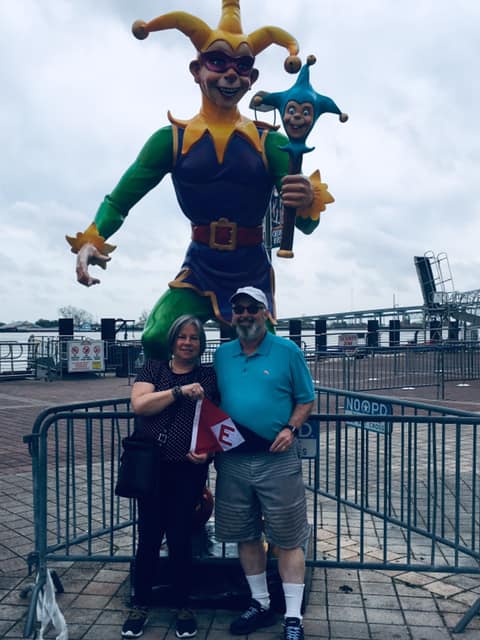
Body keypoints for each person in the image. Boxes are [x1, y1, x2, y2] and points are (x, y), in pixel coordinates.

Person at [66, 0, 336, 361]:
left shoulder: (269, 142)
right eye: (218, 62)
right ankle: (174, 410)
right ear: (197, 69)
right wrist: (93, 238)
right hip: (200, 266)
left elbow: (303, 225)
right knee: (157, 336)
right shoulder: (171, 141)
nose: (230, 74)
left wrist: (305, 200)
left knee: (263, 357)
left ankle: (260, 415)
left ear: (252, 78)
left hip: (250, 269)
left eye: (242, 66)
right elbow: (119, 200)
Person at [213, 286, 315, 640]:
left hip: (277, 460)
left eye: (251, 308)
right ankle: (259, 603)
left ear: (266, 312)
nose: (244, 314)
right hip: (233, 462)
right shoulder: (222, 355)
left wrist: (291, 428)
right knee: (245, 535)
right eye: (238, 308)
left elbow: (306, 399)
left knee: (287, 538)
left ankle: (292, 617)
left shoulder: (287, 351)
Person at [121, 315, 219, 639]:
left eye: (194, 337)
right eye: (182, 337)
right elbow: (140, 405)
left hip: (188, 470)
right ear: (172, 341)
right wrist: (178, 392)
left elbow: (216, 423)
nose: (188, 342)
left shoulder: (208, 375)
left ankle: (183, 605)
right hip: (151, 468)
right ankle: (140, 604)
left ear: (201, 344)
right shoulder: (154, 368)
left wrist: (209, 452)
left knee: (180, 538)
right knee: (148, 537)